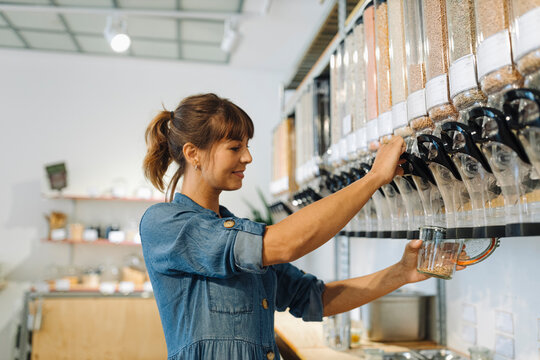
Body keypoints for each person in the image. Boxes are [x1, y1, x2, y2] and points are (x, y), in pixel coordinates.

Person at [140, 93, 429, 360]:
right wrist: (373, 178)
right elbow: (285, 244)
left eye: (247, 147)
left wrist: (401, 273)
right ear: (193, 153)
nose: (247, 157)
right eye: (234, 147)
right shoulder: (166, 224)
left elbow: (315, 298)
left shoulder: (239, 234)